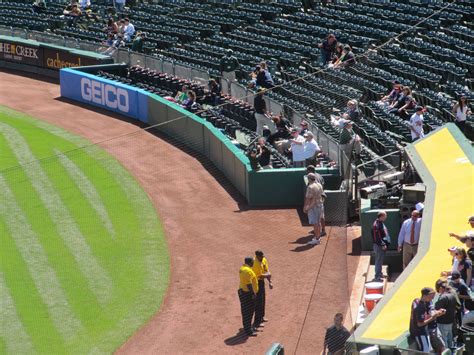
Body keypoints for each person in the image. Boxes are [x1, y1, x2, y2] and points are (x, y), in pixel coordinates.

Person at [409, 287, 446, 353]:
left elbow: (427, 315)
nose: (432, 299)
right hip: (419, 332)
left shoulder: (417, 301)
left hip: (423, 331)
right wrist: (432, 318)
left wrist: (437, 312)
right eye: (431, 297)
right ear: (426, 295)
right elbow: (420, 324)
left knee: (428, 350)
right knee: (425, 351)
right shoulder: (420, 307)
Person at [434, 279, 458, 349]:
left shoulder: (443, 297)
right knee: (449, 339)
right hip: (450, 322)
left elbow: (436, 309)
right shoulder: (452, 296)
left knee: (444, 341)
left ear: (441, 288)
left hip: (442, 323)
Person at [252, 250, 272, 329]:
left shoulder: (263, 260)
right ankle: (257, 323)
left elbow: (266, 270)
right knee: (258, 303)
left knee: (263, 300)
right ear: (257, 256)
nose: (263, 257)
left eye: (263, 255)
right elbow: (259, 276)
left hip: (261, 282)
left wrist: (270, 282)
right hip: (256, 283)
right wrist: (267, 275)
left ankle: (261, 317)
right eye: (261, 256)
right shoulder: (255, 264)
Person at [238, 257, 258, 336]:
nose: (253, 263)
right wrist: (253, 294)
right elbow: (248, 284)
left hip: (244, 292)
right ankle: (248, 330)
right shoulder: (247, 271)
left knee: (247, 311)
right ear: (250, 262)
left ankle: (248, 327)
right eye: (252, 262)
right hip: (247, 294)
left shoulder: (243, 268)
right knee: (248, 312)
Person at [304, 173, 324, 245]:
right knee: (318, 222)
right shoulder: (319, 185)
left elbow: (308, 199)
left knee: (315, 224)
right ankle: (318, 237)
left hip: (314, 207)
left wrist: (306, 207)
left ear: (309, 179)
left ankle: (317, 239)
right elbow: (322, 195)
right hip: (320, 205)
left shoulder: (310, 187)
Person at [372, 211, 390, 282]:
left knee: (380, 260)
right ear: (381, 216)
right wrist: (382, 244)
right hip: (379, 246)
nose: (386, 217)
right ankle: (377, 277)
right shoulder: (376, 225)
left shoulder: (380, 223)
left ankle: (380, 273)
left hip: (382, 245)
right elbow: (376, 237)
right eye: (385, 215)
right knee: (378, 261)